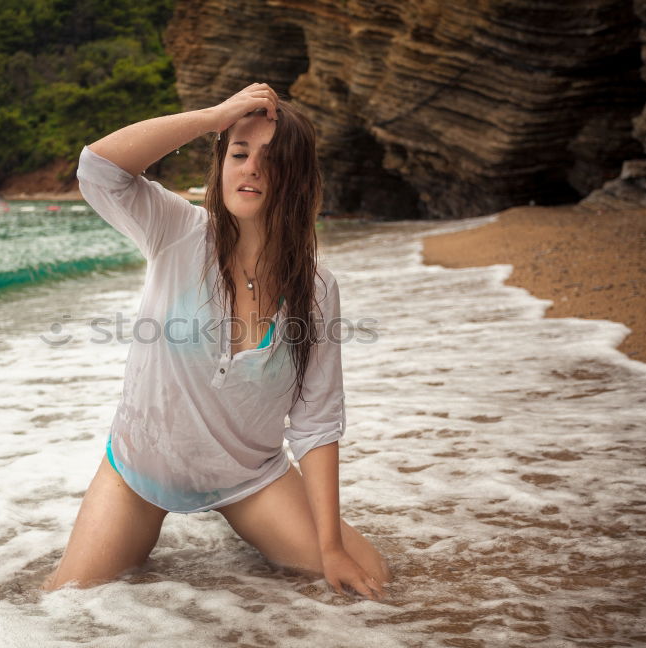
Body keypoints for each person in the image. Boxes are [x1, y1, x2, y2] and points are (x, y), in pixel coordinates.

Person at [41, 83, 392, 601]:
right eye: (239, 153)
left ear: (296, 178)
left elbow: (317, 422)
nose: (250, 168)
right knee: (66, 602)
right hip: (142, 469)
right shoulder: (178, 231)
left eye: (270, 160)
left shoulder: (317, 291)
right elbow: (99, 169)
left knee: (370, 577)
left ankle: (240, 525)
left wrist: (332, 545)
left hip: (247, 476)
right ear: (221, 163)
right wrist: (214, 117)